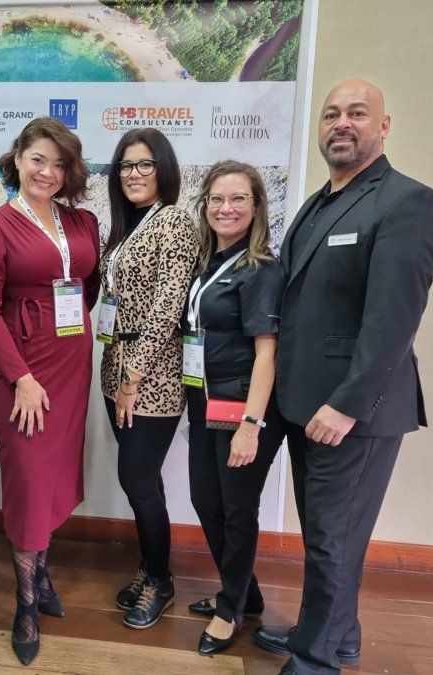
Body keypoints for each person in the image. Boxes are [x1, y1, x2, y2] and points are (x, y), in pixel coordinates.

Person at [253, 79, 433, 675]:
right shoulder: (320, 203)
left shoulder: (408, 202)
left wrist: (348, 404)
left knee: (335, 541)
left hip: (351, 413)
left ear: (383, 127)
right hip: (305, 407)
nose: (342, 123)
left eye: (357, 114)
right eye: (332, 114)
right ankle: (339, 636)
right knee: (327, 538)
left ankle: (315, 662)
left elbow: (394, 321)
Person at [0, 117, 100, 665]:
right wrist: (20, 376)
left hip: (72, 363)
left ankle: (42, 576)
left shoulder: (83, 219)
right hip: (23, 370)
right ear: (17, 159)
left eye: (59, 163)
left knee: (56, 472)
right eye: (38, 159)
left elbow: (86, 287)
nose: (48, 171)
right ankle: (25, 604)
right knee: (27, 478)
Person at [181, 161, 286, 654]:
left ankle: (230, 609)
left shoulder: (261, 268)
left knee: (237, 510)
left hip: (241, 403)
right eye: (217, 199)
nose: (226, 208)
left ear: (256, 206)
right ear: (205, 205)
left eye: (238, 198)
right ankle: (246, 591)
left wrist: (251, 424)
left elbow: (268, 352)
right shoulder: (208, 262)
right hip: (203, 399)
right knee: (206, 500)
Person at [99, 128, 199, 629]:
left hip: (151, 374)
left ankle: (161, 579)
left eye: (144, 165)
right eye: (125, 166)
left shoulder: (176, 222)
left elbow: (168, 305)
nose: (133, 175)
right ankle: (150, 565)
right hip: (115, 364)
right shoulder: (124, 227)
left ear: (163, 169)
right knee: (142, 480)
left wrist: (134, 374)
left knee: (137, 479)